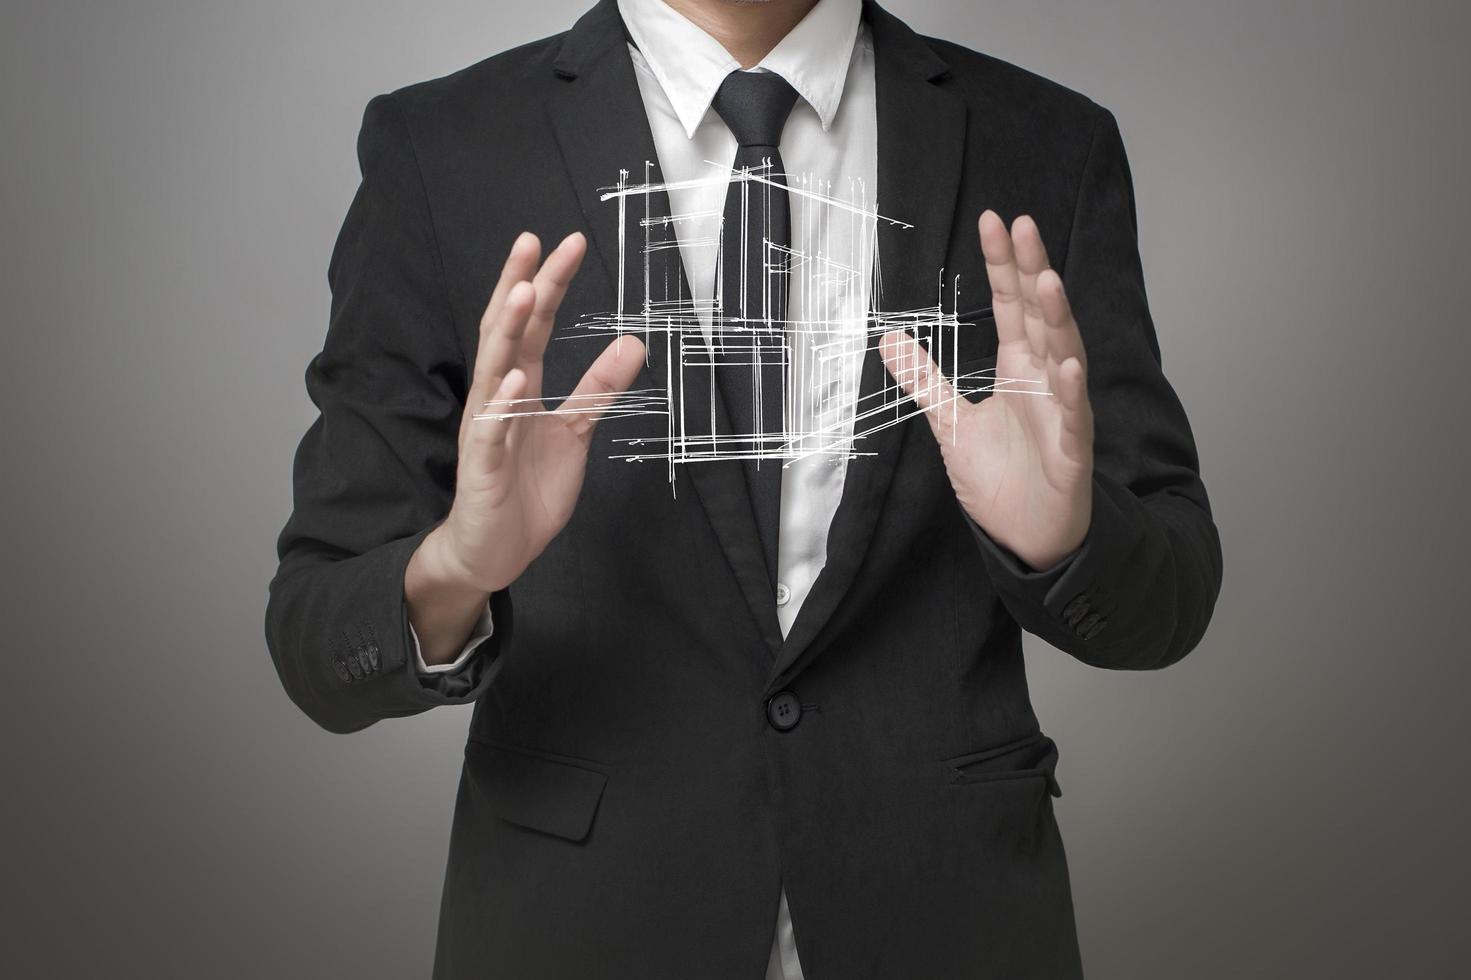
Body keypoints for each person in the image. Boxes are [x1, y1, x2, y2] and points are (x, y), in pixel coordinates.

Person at [264, 0, 1224, 976]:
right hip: (579, 926)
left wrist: (1062, 544)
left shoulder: (1048, 144)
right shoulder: (441, 148)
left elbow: (1170, 594)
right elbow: (315, 632)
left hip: (949, 919)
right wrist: (456, 568)